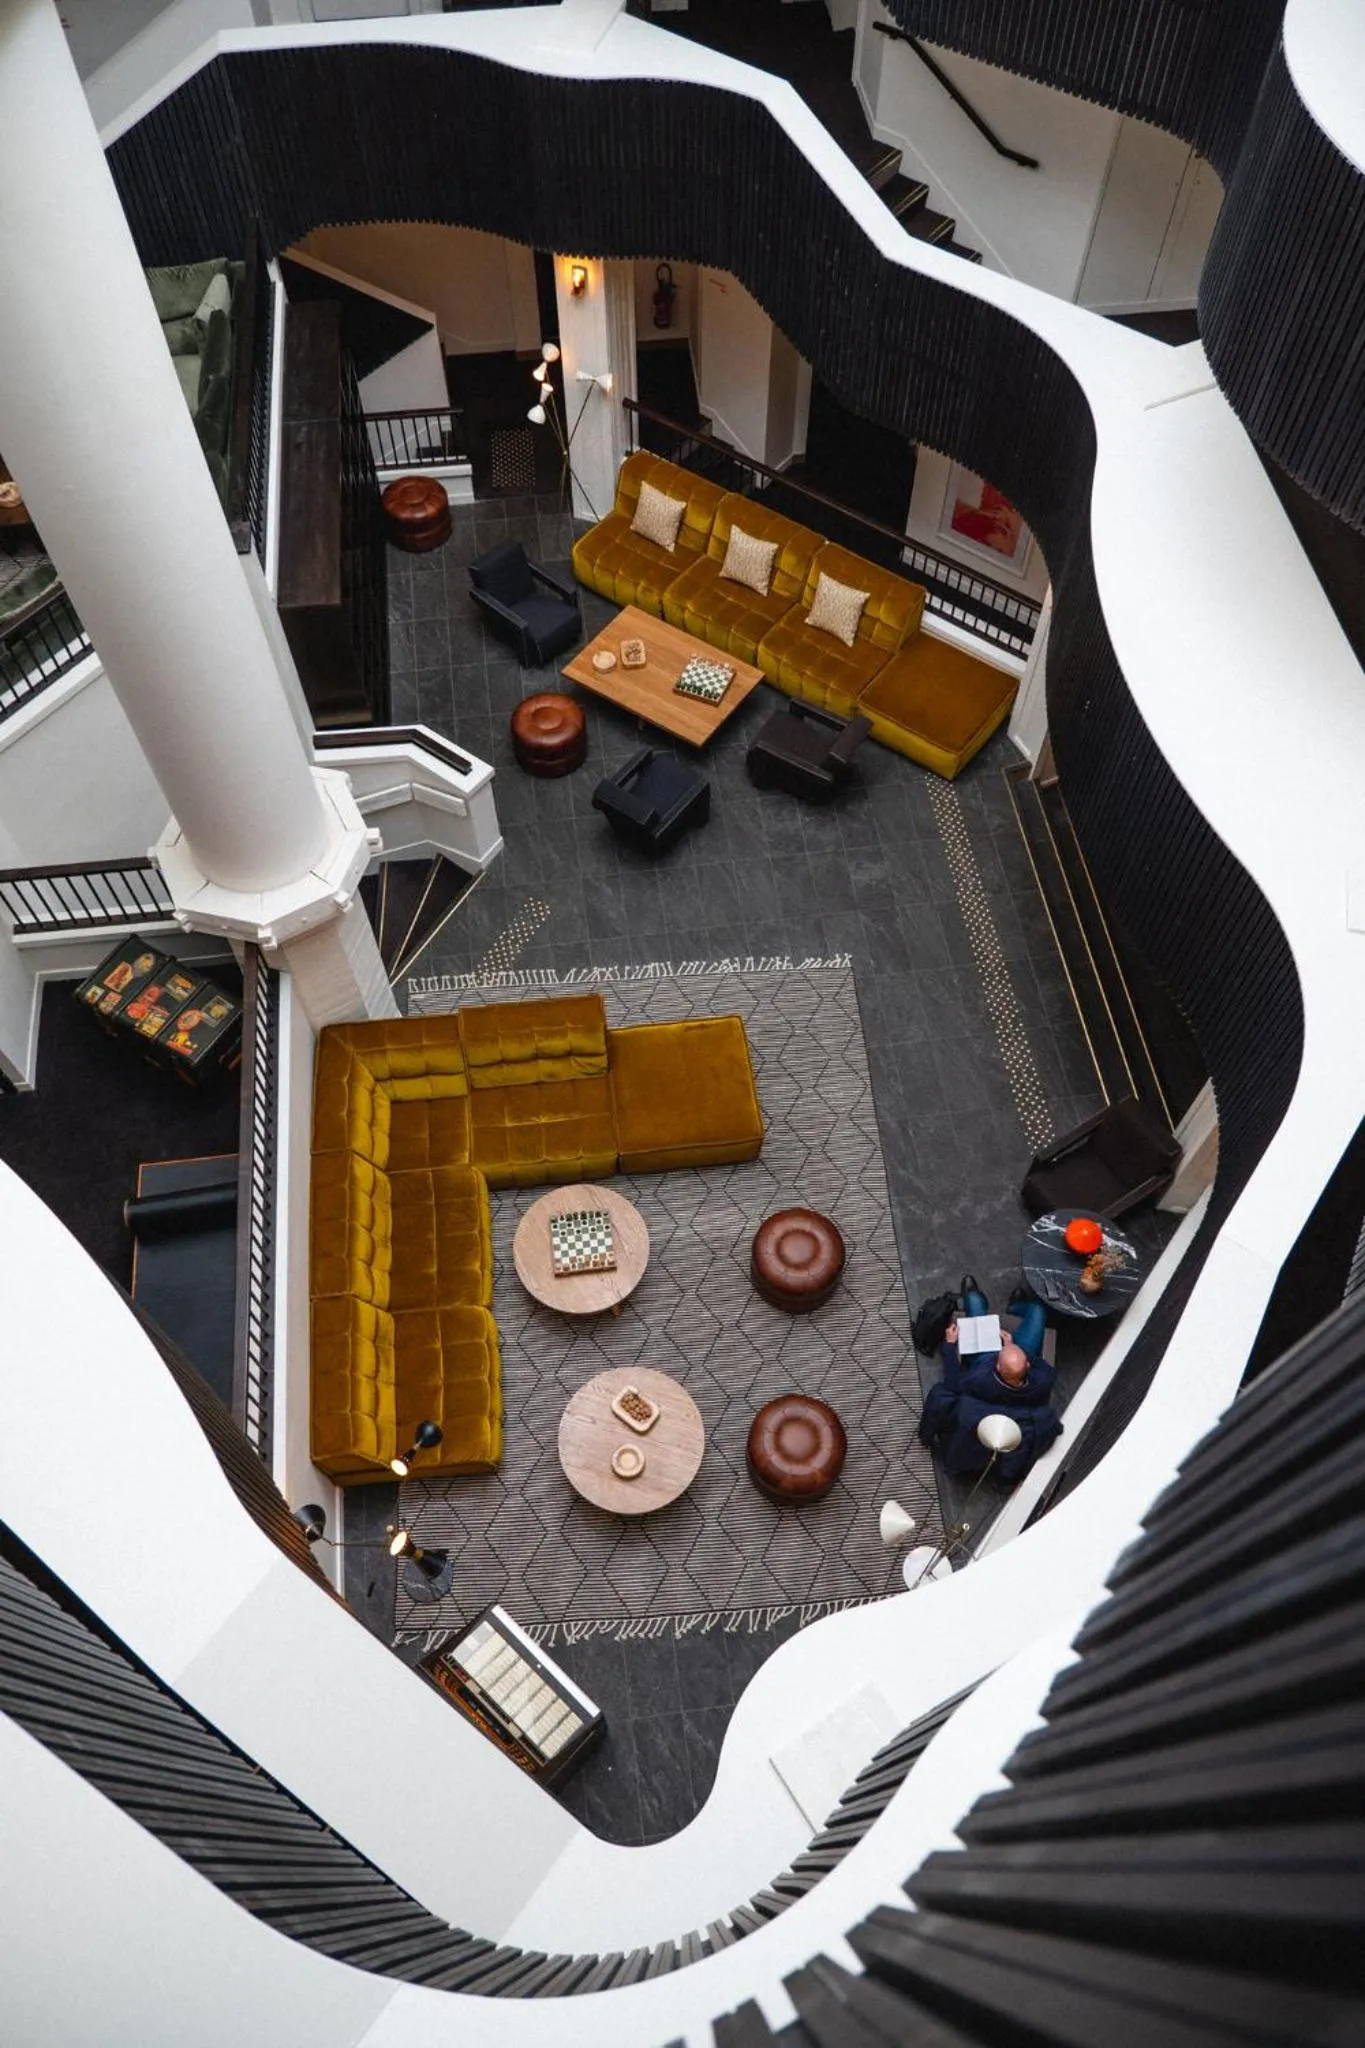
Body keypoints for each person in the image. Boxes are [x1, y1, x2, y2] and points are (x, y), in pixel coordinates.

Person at [917, 1273, 1063, 1482]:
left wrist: (949, 1346)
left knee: (974, 1304)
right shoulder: (1042, 1382)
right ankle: (1014, 1306)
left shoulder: (977, 1380)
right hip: (1016, 1356)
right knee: (1038, 1311)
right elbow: (1046, 1369)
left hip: (985, 1356)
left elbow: (953, 1382)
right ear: (1028, 1366)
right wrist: (1013, 1347)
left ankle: (976, 1298)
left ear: (997, 1365)